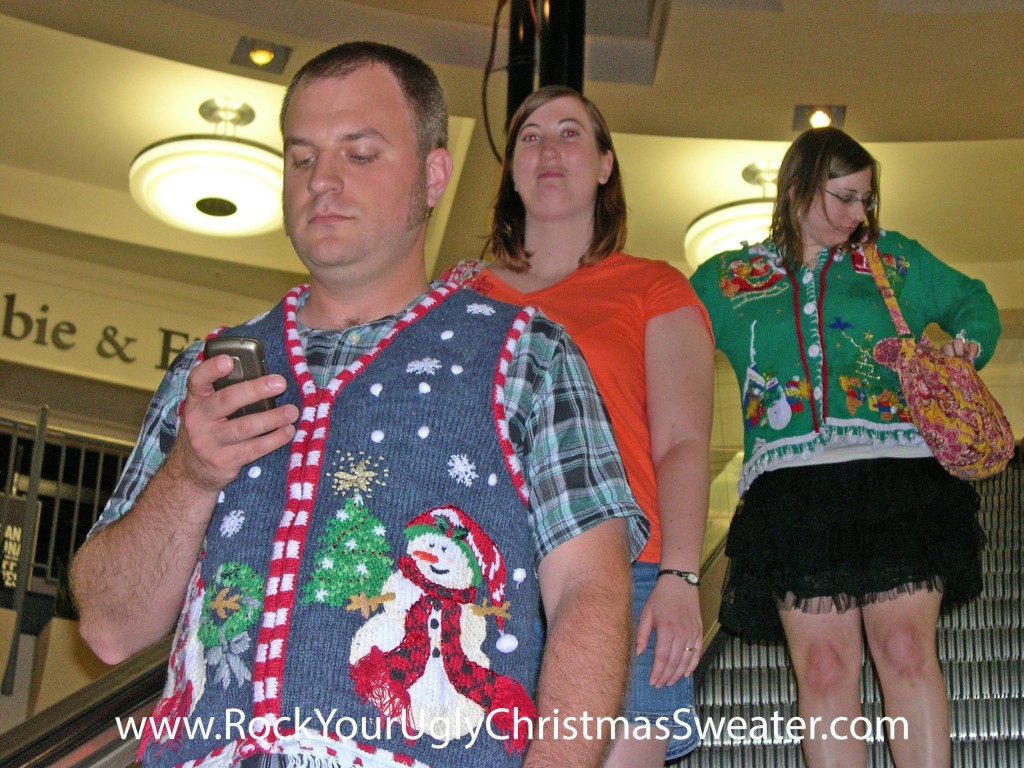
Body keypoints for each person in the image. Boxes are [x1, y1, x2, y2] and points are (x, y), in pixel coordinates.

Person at [70, 42, 649, 768]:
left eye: (361, 154)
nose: (323, 181)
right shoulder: (209, 370)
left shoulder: (530, 356)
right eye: (301, 156)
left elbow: (591, 594)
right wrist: (188, 477)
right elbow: (109, 628)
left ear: (436, 175)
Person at [690, 126, 999, 768]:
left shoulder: (896, 260)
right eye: (844, 197)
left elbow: (975, 301)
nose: (859, 214)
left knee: (906, 653)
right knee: (826, 671)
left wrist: (964, 351)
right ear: (798, 187)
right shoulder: (726, 278)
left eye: (867, 200)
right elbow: (657, 333)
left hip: (899, 476)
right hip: (791, 490)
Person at [444, 85, 714, 766]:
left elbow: (682, 441)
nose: (547, 149)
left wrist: (682, 577)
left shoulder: (653, 287)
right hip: (482, 575)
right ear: (511, 170)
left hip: (630, 575)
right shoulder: (459, 293)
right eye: (530, 136)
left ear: (603, 165)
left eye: (569, 132)